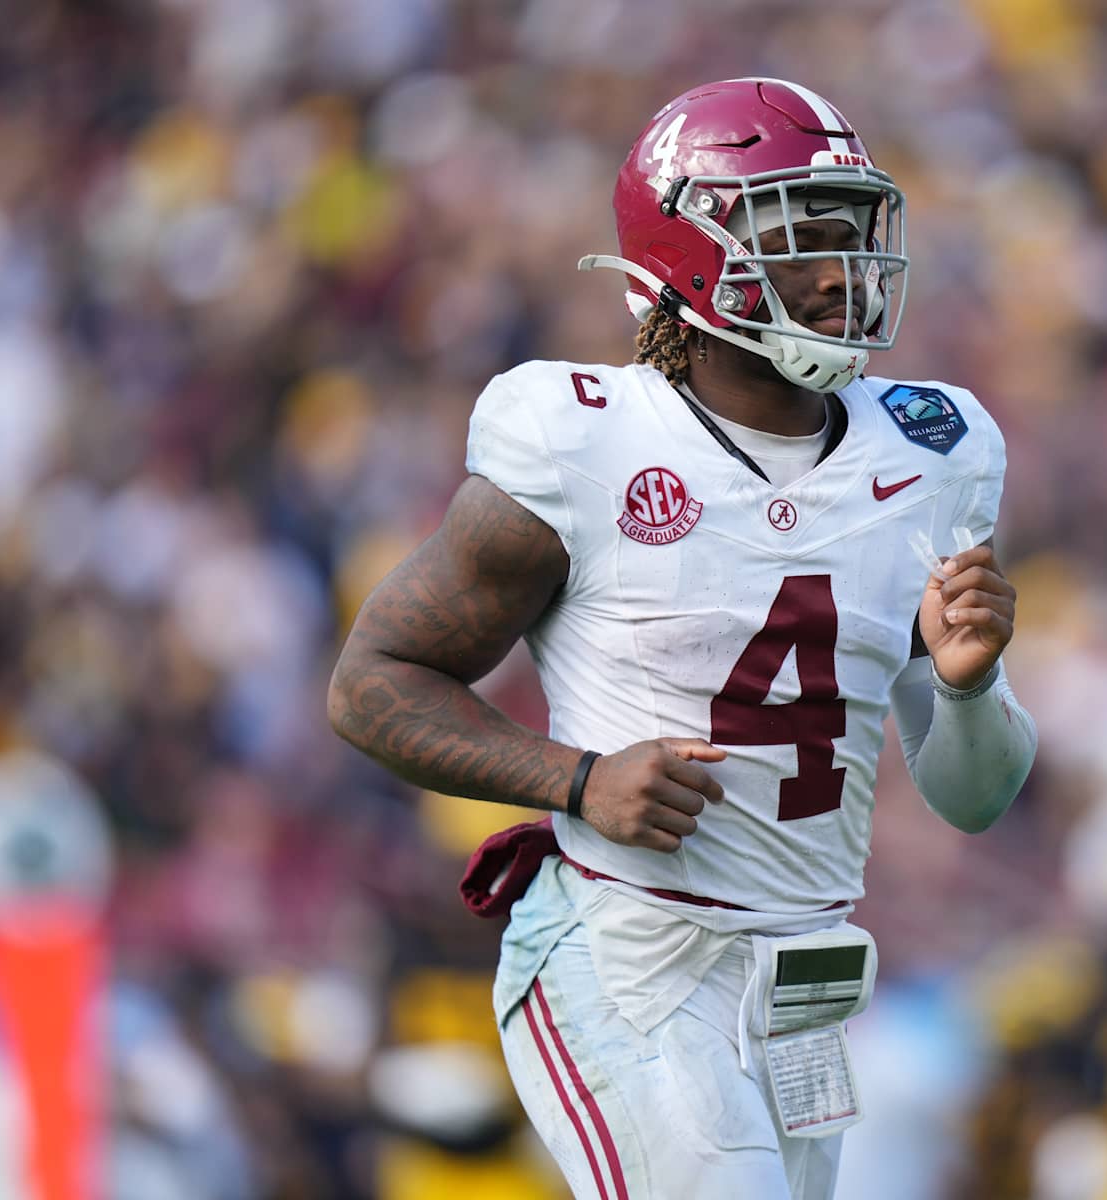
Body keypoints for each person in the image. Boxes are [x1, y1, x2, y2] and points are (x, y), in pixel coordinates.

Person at [327, 77, 1038, 1200]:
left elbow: (975, 796)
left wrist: (965, 688)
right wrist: (576, 779)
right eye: (804, 233)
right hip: (633, 952)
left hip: (803, 985)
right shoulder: (582, 443)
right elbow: (373, 683)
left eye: (852, 229)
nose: (843, 265)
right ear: (690, 252)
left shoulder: (934, 454)